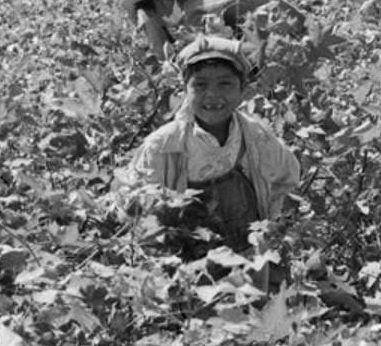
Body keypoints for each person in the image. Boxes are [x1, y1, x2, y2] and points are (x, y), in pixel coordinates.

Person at [126, 36, 300, 251]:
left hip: (250, 255)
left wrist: (275, 223)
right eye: (200, 85)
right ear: (185, 89)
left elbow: (287, 177)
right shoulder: (162, 145)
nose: (212, 94)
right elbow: (140, 211)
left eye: (225, 84)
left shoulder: (256, 135)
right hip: (186, 265)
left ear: (243, 89)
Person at [120, 0, 305, 64]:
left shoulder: (194, 17)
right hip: (292, 23)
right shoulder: (199, 0)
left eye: (144, 16)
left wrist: (149, 25)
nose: (144, 25)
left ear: (161, 5)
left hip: (290, 36)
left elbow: (163, 56)